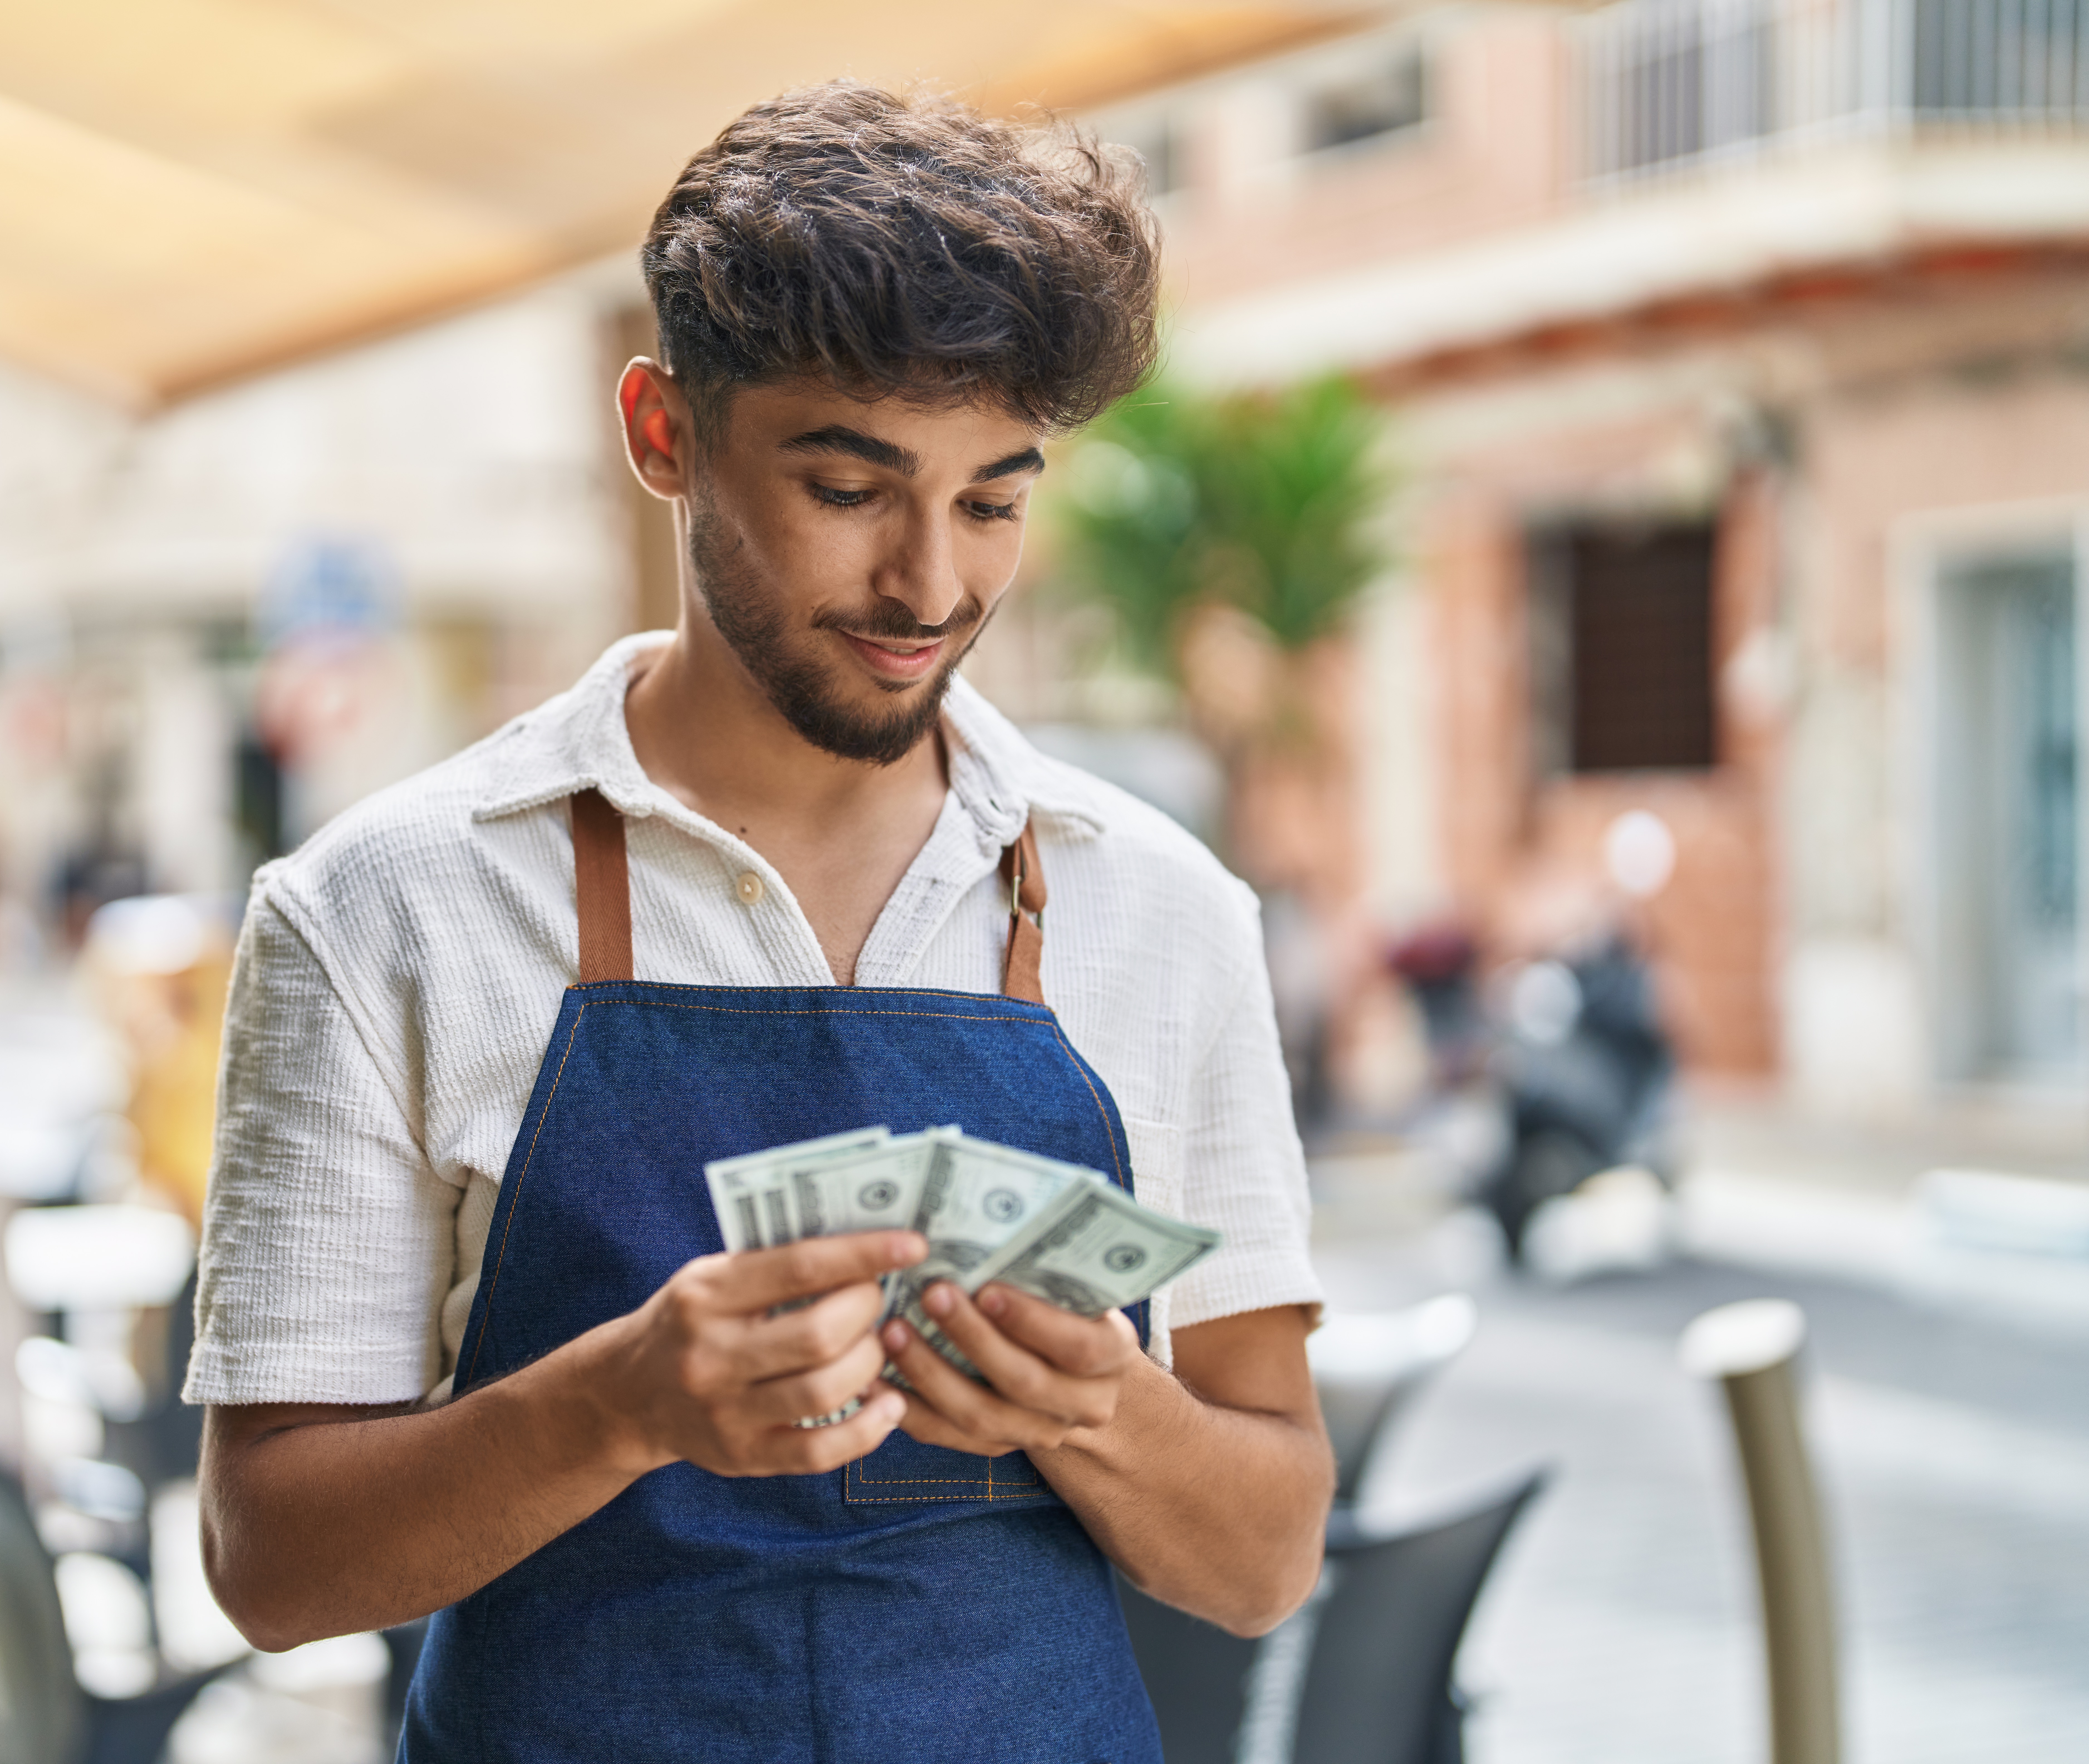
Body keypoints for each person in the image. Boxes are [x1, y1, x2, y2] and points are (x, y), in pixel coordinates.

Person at [187, 81, 1331, 1762]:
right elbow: (269, 1564)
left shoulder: (1164, 913)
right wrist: (621, 1402)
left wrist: (1102, 1412)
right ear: (664, 434)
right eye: (851, 488)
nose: (930, 587)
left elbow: (1268, 1558)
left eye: (993, 502)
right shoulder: (379, 914)